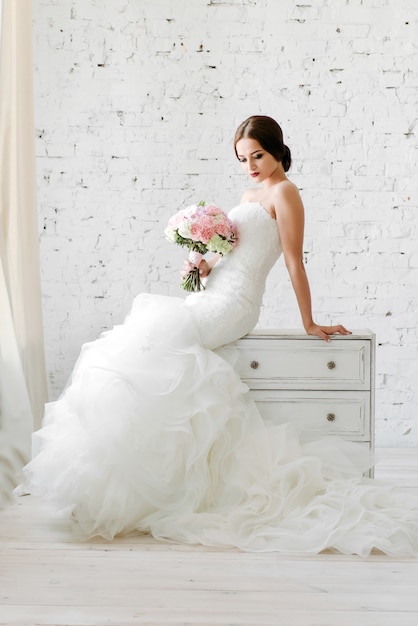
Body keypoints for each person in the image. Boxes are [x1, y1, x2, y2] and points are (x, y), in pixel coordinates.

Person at [20, 115, 418, 556]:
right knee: (138, 349)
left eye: (258, 156)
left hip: (236, 305)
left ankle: (129, 489)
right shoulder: (250, 194)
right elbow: (235, 251)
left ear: (276, 149)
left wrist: (309, 321)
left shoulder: (285, 192)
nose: (250, 166)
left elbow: (292, 261)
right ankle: (114, 489)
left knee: (145, 347)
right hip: (212, 293)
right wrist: (203, 266)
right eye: (243, 159)